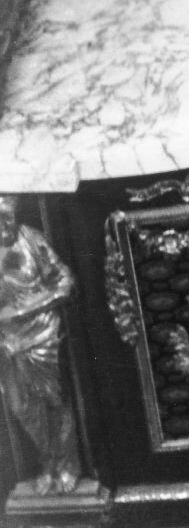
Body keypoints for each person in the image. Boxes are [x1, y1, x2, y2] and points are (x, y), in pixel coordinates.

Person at [0, 197, 81, 495]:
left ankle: (67, 464)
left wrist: (27, 310)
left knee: (54, 401)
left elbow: (66, 282)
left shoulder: (31, 239)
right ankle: (48, 462)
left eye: (8, 216)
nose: (4, 225)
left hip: (43, 334)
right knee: (21, 407)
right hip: (7, 342)